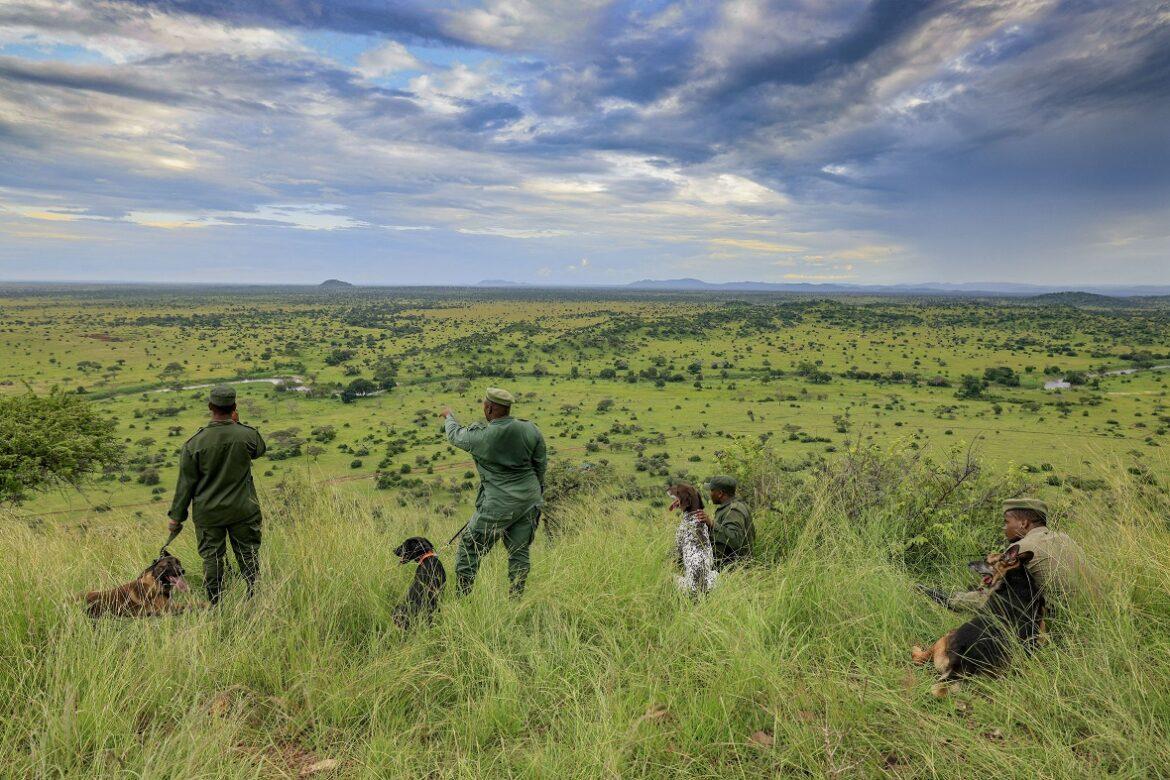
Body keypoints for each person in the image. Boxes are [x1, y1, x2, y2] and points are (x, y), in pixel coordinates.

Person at [440, 387, 547, 596]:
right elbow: (540, 465)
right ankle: (517, 599)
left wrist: (449, 416)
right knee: (519, 552)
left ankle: (463, 598)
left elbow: (454, 435)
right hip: (529, 501)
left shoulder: (483, 436)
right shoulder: (531, 429)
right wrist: (534, 494)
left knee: (470, 547)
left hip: (498, 505)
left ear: (489, 408)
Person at [167, 385, 266, 604]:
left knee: (212, 559)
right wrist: (237, 423)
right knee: (248, 555)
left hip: (209, 514)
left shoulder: (194, 444)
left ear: (210, 407)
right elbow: (260, 450)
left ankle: (215, 604)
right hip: (243, 510)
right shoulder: (246, 435)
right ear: (234, 407)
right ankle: (255, 599)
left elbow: (185, 485)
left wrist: (176, 517)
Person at [922, 498, 1093, 612]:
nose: (1004, 528)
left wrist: (945, 598)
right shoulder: (1065, 538)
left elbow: (988, 597)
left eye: (1006, 522)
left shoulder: (1021, 547)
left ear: (1023, 523)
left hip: (1058, 618)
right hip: (1090, 612)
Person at [695, 475, 754, 569]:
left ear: (720, 493)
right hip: (730, 562)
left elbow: (735, 539)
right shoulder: (733, 506)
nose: (710, 494)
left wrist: (711, 523)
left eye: (712, 491)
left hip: (734, 567)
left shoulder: (734, 511)